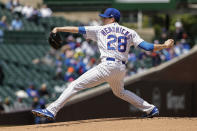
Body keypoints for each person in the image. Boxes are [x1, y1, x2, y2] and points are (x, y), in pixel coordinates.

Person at [32, 8, 174, 120]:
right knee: (120, 92)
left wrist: (58, 28)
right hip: (121, 68)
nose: (103, 19)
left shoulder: (100, 30)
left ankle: (51, 110)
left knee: (75, 84)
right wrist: (163, 45)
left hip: (107, 66)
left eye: (105, 17)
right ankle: (150, 109)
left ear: (112, 18)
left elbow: (77, 29)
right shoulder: (130, 32)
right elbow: (148, 47)